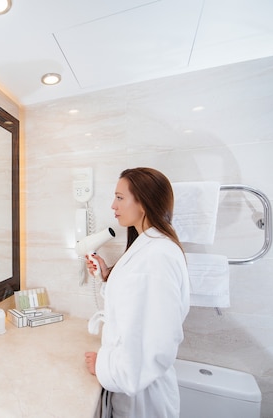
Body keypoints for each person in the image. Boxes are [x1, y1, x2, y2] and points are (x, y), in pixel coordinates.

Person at [84, 167, 190, 418]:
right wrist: (107, 275)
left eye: (120, 197)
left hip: (141, 398)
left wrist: (103, 366)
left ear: (143, 202)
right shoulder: (149, 247)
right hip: (135, 390)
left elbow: (154, 347)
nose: (113, 205)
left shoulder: (157, 257)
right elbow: (137, 304)